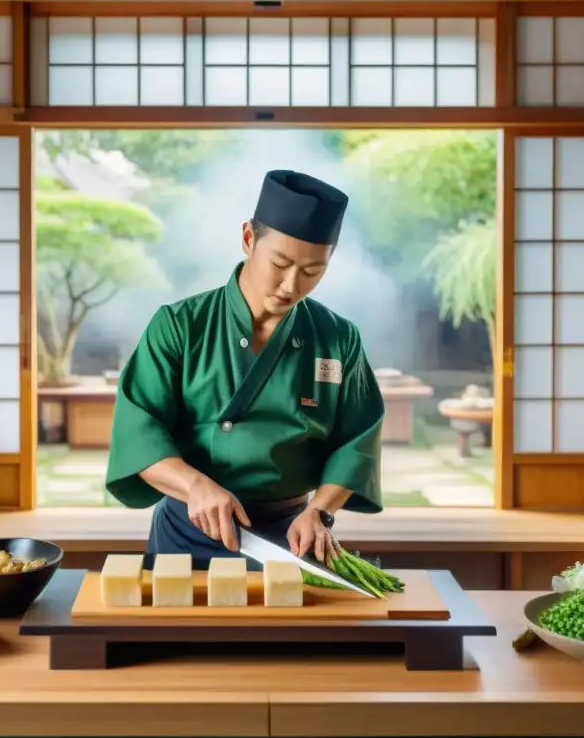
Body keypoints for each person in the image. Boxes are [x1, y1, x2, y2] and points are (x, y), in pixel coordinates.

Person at [105, 170, 385, 569]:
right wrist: (196, 485)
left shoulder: (338, 338)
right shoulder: (179, 325)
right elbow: (138, 433)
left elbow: (357, 440)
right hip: (189, 529)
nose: (291, 286)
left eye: (312, 272)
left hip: (293, 535)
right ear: (249, 239)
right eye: (281, 263)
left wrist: (320, 511)